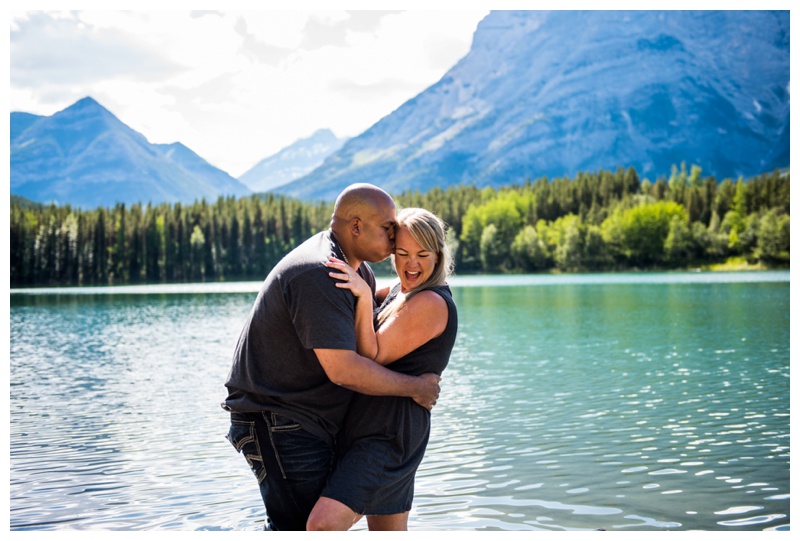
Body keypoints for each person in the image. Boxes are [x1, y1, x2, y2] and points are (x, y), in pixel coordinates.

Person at [222, 185, 442, 531]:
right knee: (299, 528)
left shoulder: (355, 271)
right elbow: (345, 370)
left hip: (303, 420)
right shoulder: (321, 272)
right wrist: (416, 388)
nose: (394, 233)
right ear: (356, 227)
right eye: (387, 228)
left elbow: (399, 305)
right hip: (279, 420)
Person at [306, 207, 458, 531]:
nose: (411, 264)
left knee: (322, 525)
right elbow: (341, 313)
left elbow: (371, 354)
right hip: (371, 425)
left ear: (439, 255)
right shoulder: (399, 292)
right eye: (402, 253)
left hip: (389, 434)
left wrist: (362, 296)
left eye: (422, 254)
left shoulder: (432, 302)